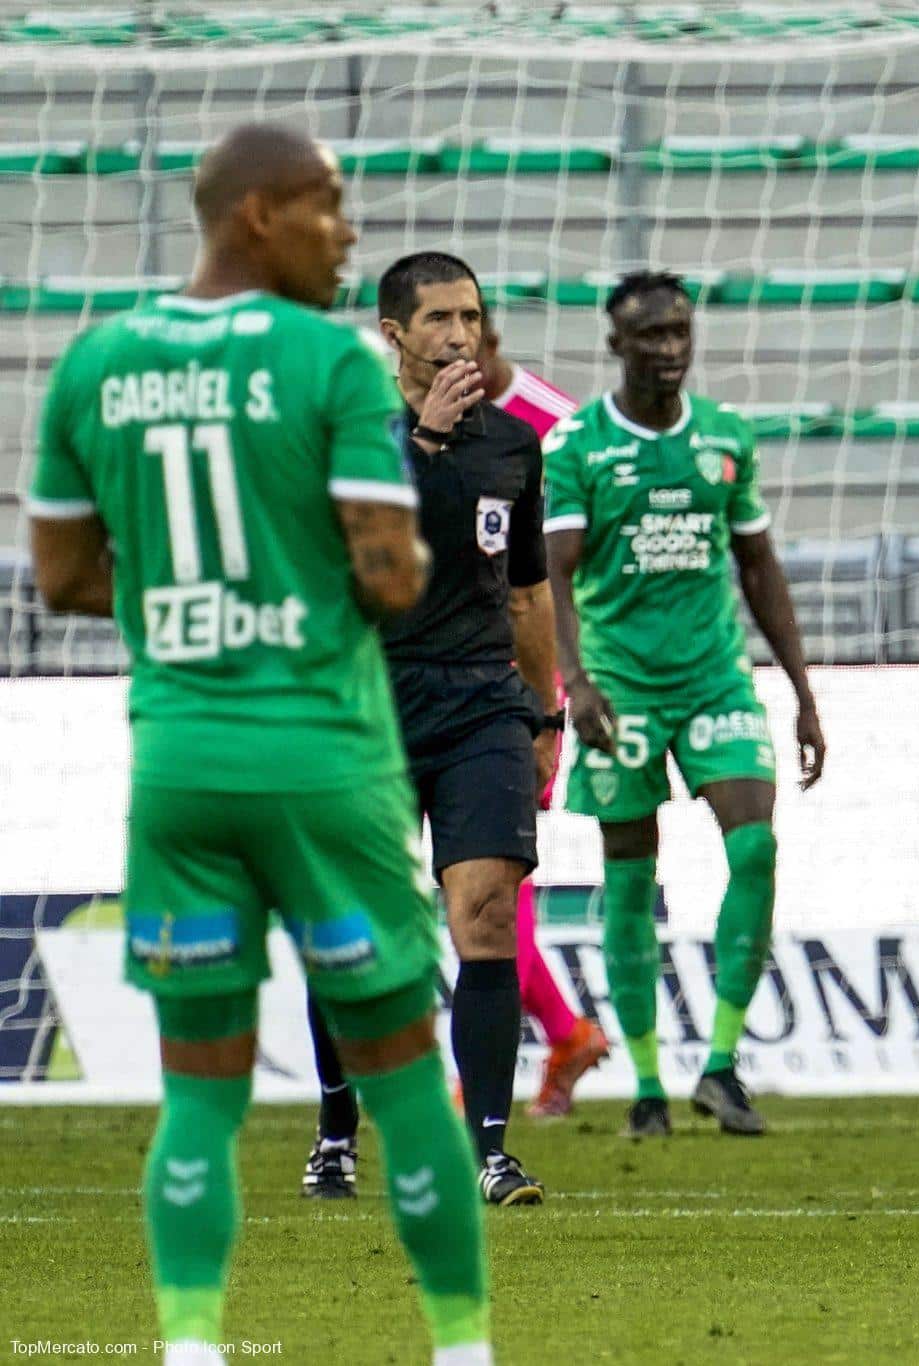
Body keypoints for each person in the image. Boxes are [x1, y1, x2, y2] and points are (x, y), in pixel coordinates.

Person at [27, 123, 491, 1365]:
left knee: (201, 1091)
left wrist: (192, 584)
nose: (347, 232)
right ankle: (459, 1346)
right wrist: (303, 570)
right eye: (330, 207)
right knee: (401, 1082)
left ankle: (188, 1345)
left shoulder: (96, 361)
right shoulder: (327, 365)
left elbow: (63, 576)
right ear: (258, 216)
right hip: (322, 768)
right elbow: (391, 576)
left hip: (179, 769)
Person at [544, 270, 825, 1139]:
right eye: (651, 336)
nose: (670, 350)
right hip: (620, 686)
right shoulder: (577, 445)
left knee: (757, 848)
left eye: (680, 333)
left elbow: (758, 567)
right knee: (632, 876)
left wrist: (803, 692)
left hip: (713, 676)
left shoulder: (726, 439)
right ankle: (644, 1083)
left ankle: (721, 1065)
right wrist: (576, 683)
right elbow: (553, 572)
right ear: (616, 345)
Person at [299, 253, 554, 1206]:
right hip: (365, 703)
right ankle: (336, 1129)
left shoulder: (515, 447)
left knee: (485, 915)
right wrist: (422, 443)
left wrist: (548, 711)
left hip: (483, 701)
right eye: (440, 318)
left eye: (474, 317)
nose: (461, 335)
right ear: (392, 334)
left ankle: (488, 1149)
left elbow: (527, 592)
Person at [477, 319, 613, 1120]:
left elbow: (577, 563)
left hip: (527, 677)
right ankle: (561, 1034)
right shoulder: (420, 420)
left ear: (489, 338)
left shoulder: (554, 427)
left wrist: (565, 683)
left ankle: (537, 1042)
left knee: (489, 877)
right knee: (480, 879)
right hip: (439, 672)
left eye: (469, 333)